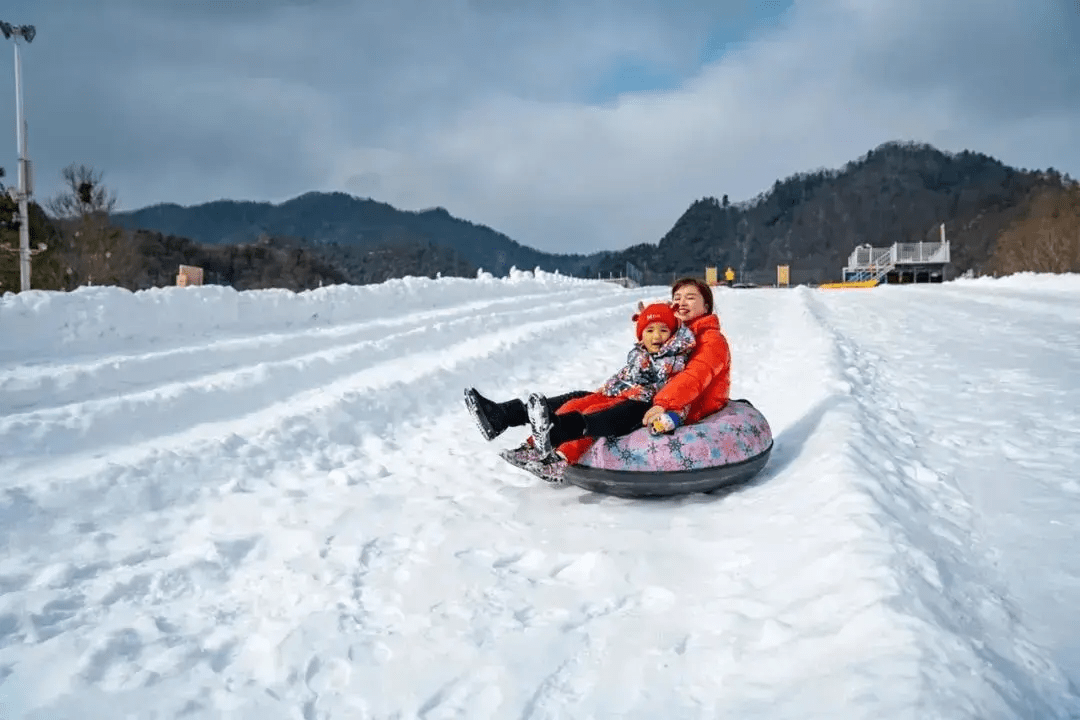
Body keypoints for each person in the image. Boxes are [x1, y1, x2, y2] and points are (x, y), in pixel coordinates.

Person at [464, 303, 693, 482]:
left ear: (672, 334)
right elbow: (623, 377)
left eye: (663, 330)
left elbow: (679, 393)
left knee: (592, 412)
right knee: (573, 402)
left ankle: (559, 460)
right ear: (641, 334)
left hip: (640, 404)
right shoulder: (639, 354)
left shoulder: (676, 361)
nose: (656, 336)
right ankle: (522, 437)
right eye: (650, 330)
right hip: (614, 392)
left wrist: (673, 415)